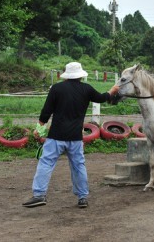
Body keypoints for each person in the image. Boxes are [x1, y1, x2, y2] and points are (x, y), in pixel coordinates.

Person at [23, 62, 119, 209]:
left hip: (56, 136)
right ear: (81, 75)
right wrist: (112, 90)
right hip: (75, 137)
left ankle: (39, 195)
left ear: (66, 75)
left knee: (46, 163)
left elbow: (46, 111)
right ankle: (82, 197)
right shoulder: (86, 89)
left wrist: (39, 128)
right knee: (78, 166)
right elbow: (101, 98)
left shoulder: (56, 88)